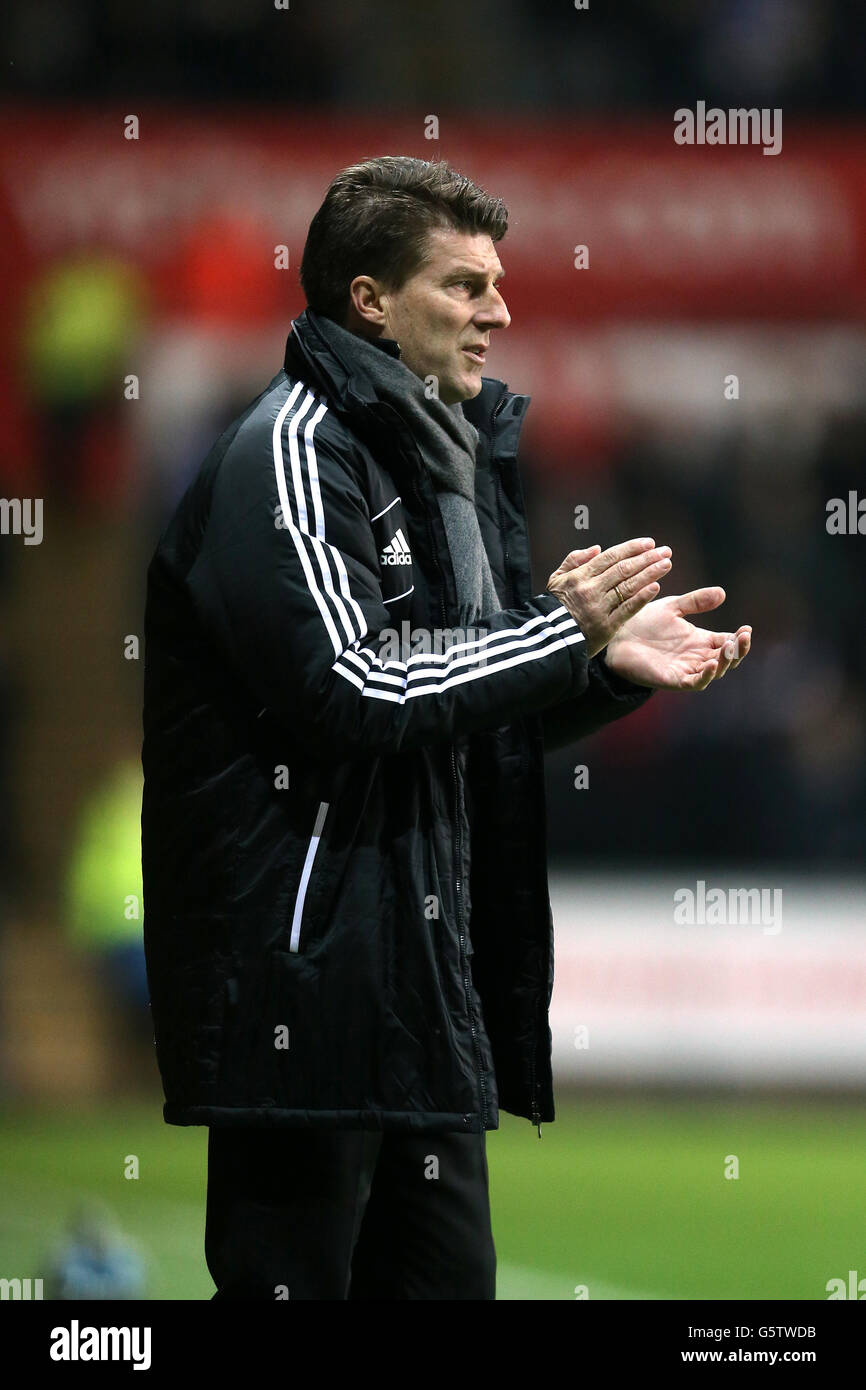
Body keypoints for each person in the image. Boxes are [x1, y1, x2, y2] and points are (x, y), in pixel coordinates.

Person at [140, 156, 751, 1301]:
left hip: (423, 992)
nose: (498, 311)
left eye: (496, 283)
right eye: (464, 285)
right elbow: (355, 689)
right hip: (304, 996)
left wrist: (595, 667)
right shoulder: (290, 451)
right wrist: (554, 631)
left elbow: (453, 708)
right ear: (369, 299)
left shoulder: (442, 461)